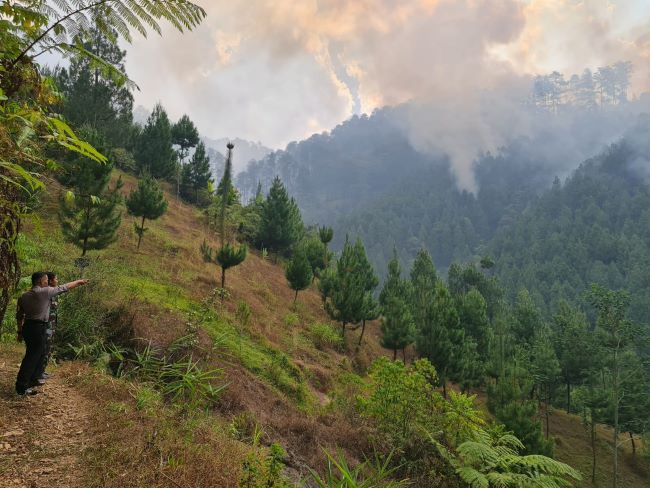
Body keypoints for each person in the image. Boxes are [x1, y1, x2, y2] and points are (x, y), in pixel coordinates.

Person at [15, 272, 88, 395]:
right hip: (38, 328)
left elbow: (19, 315)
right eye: (45, 280)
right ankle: (21, 386)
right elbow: (64, 287)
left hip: (28, 327)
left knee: (35, 354)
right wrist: (78, 282)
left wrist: (20, 331)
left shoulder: (24, 296)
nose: (47, 282)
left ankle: (32, 380)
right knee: (32, 357)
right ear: (40, 281)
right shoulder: (44, 292)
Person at [33, 272, 60, 381]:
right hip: (45, 325)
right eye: (56, 279)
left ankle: (41, 371)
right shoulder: (46, 293)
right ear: (50, 281)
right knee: (44, 349)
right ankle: (37, 374)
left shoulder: (53, 293)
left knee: (48, 349)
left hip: (51, 325)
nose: (57, 281)